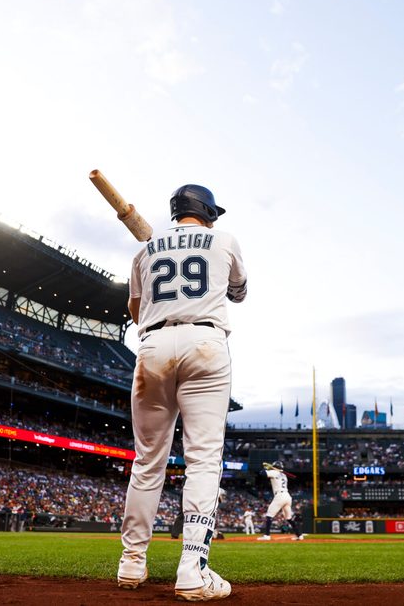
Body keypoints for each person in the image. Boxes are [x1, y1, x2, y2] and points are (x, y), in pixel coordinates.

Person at [117, 184, 247, 602]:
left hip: (153, 345)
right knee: (203, 460)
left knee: (148, 461)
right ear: (207, 212)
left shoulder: (145, 250)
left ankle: (131, 563)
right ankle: (192, 570)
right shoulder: (224, 240)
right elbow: (239, 293)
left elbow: (135, 311)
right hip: (206, 343)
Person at [258, 462, 298, 540]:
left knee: (269, 515)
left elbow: (262, 473)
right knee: (289, 518)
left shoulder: (274, 472)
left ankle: (267, 535)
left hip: (280, 496)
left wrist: (266, 468)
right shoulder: (284, 475)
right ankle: (299, 535)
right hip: (287, 496)